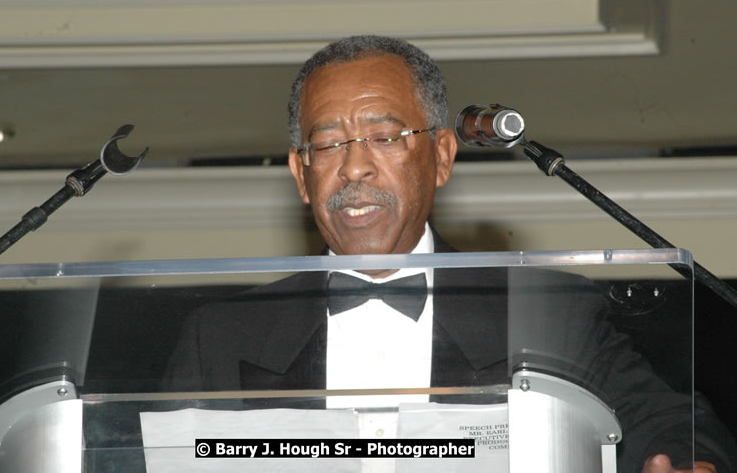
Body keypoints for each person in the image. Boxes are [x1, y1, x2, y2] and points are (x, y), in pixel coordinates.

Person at [165, 35, 734, 472]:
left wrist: (687, 462)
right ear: (301, 173)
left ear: (441, 156)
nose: (354, 167)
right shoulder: (219, 336)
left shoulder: (547, 315)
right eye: (328, 143)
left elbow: (676, 425)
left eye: (384, 138)